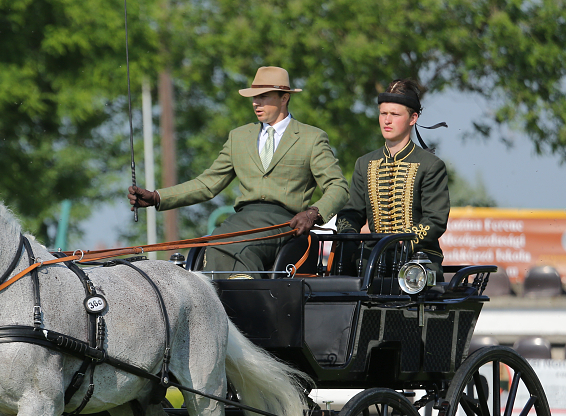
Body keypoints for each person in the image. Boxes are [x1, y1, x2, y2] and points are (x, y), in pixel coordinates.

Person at [127, 66, 349, 277]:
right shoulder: (239, 137)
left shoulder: (311, 138)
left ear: (284, 97)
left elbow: (338, 187)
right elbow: (208, 183)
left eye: (263, 96)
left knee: (241, 249)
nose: (256, 103)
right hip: (242, 219)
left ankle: (246, 309)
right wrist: (157, 197)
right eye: (254, 97)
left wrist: (313, 213)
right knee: (213, 243)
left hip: (284, 223)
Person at [335, 79, 450, 280]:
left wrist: (405, 240)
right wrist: (348, 236)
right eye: (383, 113)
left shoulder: (431, 165)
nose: (387, 120)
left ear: (413, 118)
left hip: (418, 260)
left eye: (395, 114)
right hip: (373, 260)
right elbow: (351, 212)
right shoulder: (364, 163)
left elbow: (435, 220)